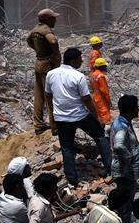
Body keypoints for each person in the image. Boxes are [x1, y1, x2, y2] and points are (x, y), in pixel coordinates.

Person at [45, 47, 112, 185]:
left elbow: (48, 95)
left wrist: (52, 116)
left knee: (67, 147)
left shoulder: (51, 74)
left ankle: (72, 179)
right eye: (80, 58)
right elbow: (86, 99)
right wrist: (97, 117)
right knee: (100, 135)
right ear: (73, 60)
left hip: (61, 118)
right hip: (79, 115)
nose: (82, 61)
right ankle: (110, 167)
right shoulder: (78, 76)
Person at [111, 95, 139, 223]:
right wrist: (129, 157)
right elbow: (118, 145)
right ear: (130, 110)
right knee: (126, 203)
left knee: (125, 200)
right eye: (136, 107)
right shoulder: (122, 127)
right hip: (125, 171)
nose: (138, 109)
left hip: (123, 170)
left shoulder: (120, 121)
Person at [27, 8, 61, 134]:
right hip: (48, 65)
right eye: (53, 18)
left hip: (38, 63)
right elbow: (53, 41)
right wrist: (56, 55)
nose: (55, 20)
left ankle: (38, 124)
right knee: (50, 95)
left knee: (39, 95)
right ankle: (55, 125)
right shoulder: (46, 30)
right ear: (47, 19)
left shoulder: (35, 30)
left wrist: (38, 50)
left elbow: (29, 41)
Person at [89, 58, 112, 129]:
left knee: (97, 113)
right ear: (101, 66)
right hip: (101, 98)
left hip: (94, 96)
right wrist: (109, 101)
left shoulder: (92, 75)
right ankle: (102, 133)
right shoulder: (100, 76)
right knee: (104, 115)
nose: (106, 67)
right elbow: (104, 90)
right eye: (104, 66)